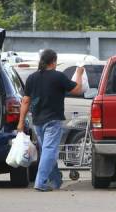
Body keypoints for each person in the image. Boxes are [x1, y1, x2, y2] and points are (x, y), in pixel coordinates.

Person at [17, 49, 84, 192]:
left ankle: (56, 181)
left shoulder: (32, 78)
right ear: (53, 61)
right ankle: (40, 182)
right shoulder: (58, 77)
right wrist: (79, 73)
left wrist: (21, 122)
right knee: (49, 151)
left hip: (37, 122)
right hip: (53, 121)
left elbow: (25, 101)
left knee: (47, 151)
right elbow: (78, 90)